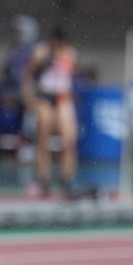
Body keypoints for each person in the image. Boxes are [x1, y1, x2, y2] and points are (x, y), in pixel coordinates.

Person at [22, 26, 78, 198]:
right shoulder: (41, 51)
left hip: (62, 97)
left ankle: (67, 178)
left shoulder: (70, 53)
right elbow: (27, 74)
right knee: (43, 139)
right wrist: (29, 97)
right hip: (45, 97)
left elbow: (68, 77)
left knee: (68, 139)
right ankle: (42, 179)